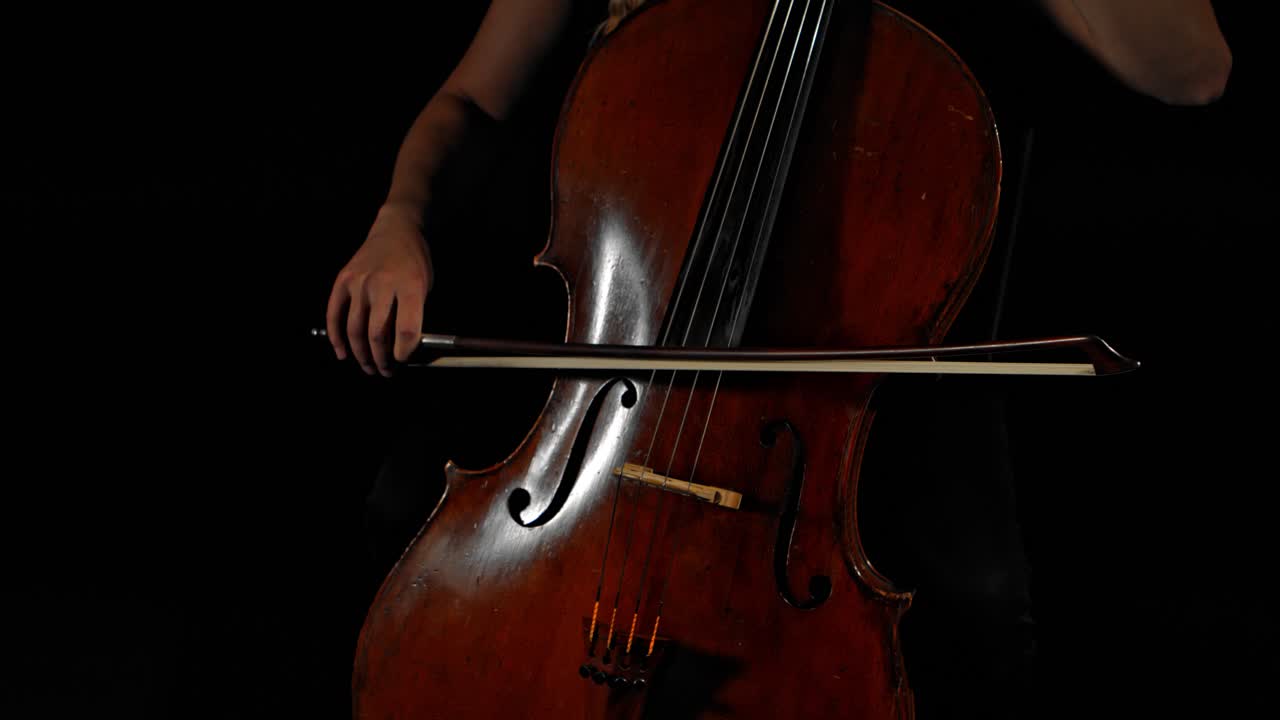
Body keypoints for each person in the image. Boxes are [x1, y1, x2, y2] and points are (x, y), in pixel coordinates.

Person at [323, 1, 1231, 717]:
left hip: (863, 436)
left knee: (973, 637)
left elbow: (1193, 70)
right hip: (611, 404)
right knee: (399, 519)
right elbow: (475, 99)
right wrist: (396, 222)